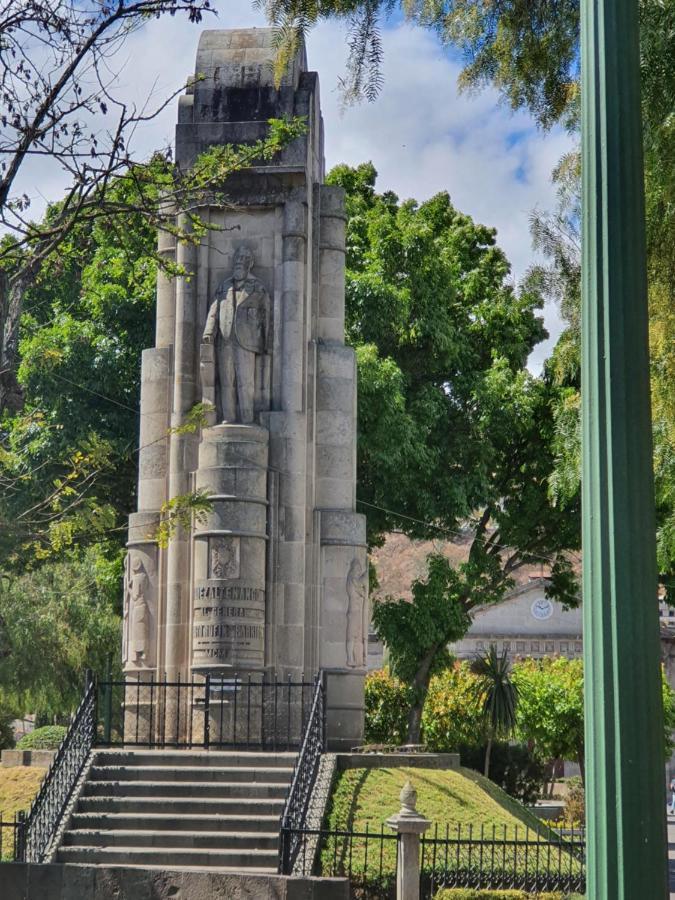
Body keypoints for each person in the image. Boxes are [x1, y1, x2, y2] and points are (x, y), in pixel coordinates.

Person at [202, 245, 271, 424]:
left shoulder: (258, 288)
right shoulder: (224, 286)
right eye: (238, 259)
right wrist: (209, 331)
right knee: (227, 382)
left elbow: (267, 316)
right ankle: (229, 417)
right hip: (225, 340)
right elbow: (214, 310)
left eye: (244, 259)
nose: (240, 262)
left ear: (251, 263)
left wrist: (267, 343)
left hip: (247, 342)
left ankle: (247, 419)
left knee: (245, 383)